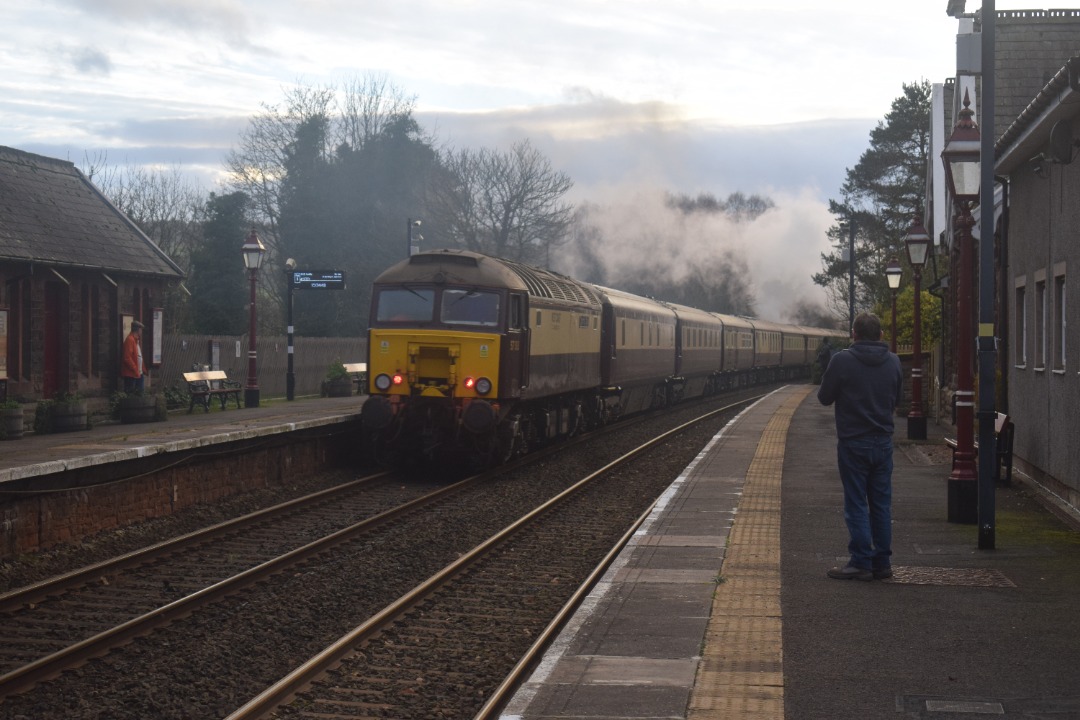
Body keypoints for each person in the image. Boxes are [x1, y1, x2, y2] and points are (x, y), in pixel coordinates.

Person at [817, 312, 903, 581]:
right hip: (883, 443)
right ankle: (882, 563)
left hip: (854, 443)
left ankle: (861, 561)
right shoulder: (894, 362)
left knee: (856, 503)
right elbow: (896, 399)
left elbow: (824, 398)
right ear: (880, 335)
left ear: (854, 334)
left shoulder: (842, 360)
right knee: (881, 504)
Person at [121, 320, 146, 393]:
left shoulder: (135, 340)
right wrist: (135, 369)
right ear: (138, 330)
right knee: (131, 394)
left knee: (140, 395)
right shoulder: (130, 340)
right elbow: (127, 357)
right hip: (131, 374)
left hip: (138, 373)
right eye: (141, 329)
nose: (141, 332)